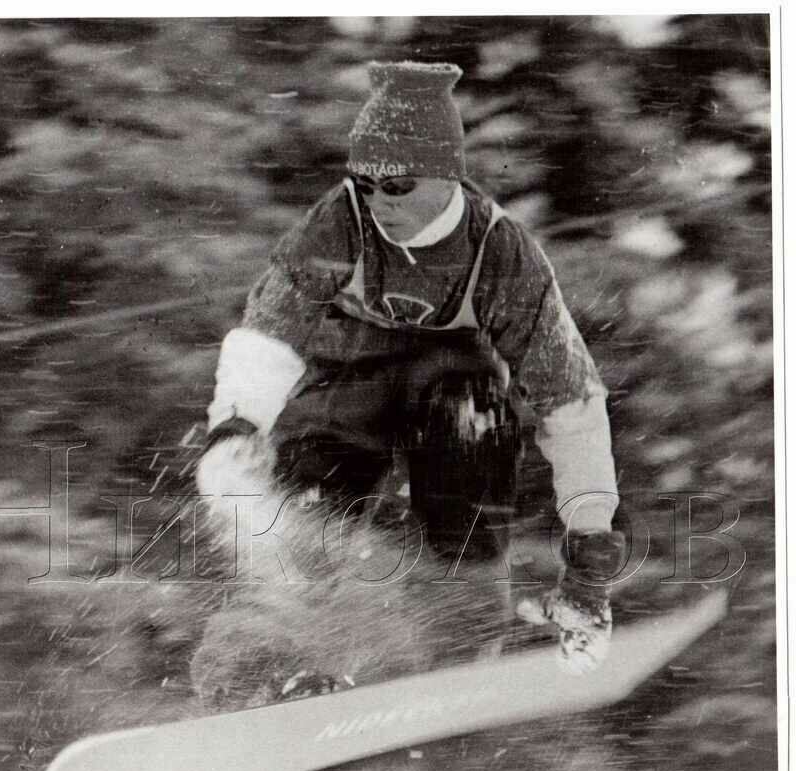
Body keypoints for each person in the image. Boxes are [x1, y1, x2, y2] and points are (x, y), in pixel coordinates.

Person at [196, 60, 627, 675]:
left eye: (396, 187)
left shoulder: (502, 253)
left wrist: (589, 555)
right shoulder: (338, 222)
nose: (378, 202)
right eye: (366, 184)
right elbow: (269, 331)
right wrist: (235, 427)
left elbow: (573, 406)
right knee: (302, 511)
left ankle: (468, 638)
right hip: (345, 389)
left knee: (471, 419)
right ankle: (270, 663)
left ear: (446, 175)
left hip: (449, 394)